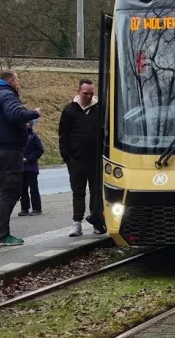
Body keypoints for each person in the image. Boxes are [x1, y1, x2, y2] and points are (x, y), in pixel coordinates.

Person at [0, 71, 41, 246]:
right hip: (9, 150)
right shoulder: (6, 94)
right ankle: (1, 234)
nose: (18, 84)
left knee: (2, 193)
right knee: (10, 191)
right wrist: (33, 113)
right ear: (11, 81)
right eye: (17, 80)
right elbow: (15, 114)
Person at [58, 79, 106, 237]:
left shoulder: (100, 109)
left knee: (96, 191)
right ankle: (76, 222)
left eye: (91, 93)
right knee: (78, 192)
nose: (89, 96)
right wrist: (67, 157)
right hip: (76, 159)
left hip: (96, 159)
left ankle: (97, 221)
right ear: (78, 91)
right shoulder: (69, 111)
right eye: (86, 93)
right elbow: (63, 135)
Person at [18, 120, 44, 216]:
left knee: (33, 188)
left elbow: (40, 150)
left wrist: (29, 159)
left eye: (28, 122)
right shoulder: (18, 136)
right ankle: (24, 208)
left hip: (31, 166)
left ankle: (37, 208)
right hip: (21, 167)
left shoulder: (33, 136)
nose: (25, 124)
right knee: (22, 188)